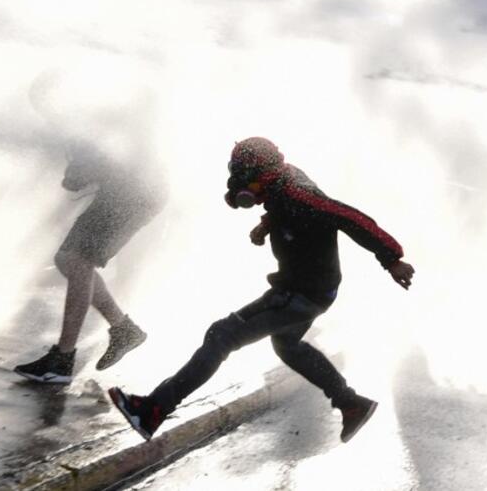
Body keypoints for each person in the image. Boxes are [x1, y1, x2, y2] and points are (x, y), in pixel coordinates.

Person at [108, 137, 414, 444]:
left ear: (261, 173)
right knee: (287, 345)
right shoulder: (281, 182)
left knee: (221, 335)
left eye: (244, 177)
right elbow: (285, 209)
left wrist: (392, 259)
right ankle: (351, 404)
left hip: (299, 293)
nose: (240, 186)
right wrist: (267, 224)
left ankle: (152, 410)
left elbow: (349, 217)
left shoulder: (297, 192)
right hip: (313, 289)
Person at [13, 139, 167, 383]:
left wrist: (81, 172)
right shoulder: (77, 117)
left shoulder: (91, 113)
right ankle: (124, 330)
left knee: (78, 261)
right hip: (126, 189)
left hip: (134, 191)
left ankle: (62, 360)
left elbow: (115, 150)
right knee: (66, 259)